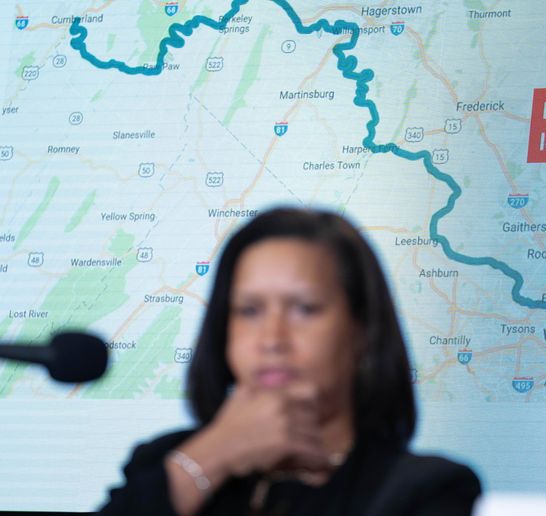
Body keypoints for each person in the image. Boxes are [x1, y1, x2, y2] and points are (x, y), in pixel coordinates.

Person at [98, 207, 481, 515]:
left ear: (361, 333)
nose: (272, 339)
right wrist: (212, 455)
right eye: (249, 310)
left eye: (304, 309)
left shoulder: (427, 490)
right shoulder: (166, 462)